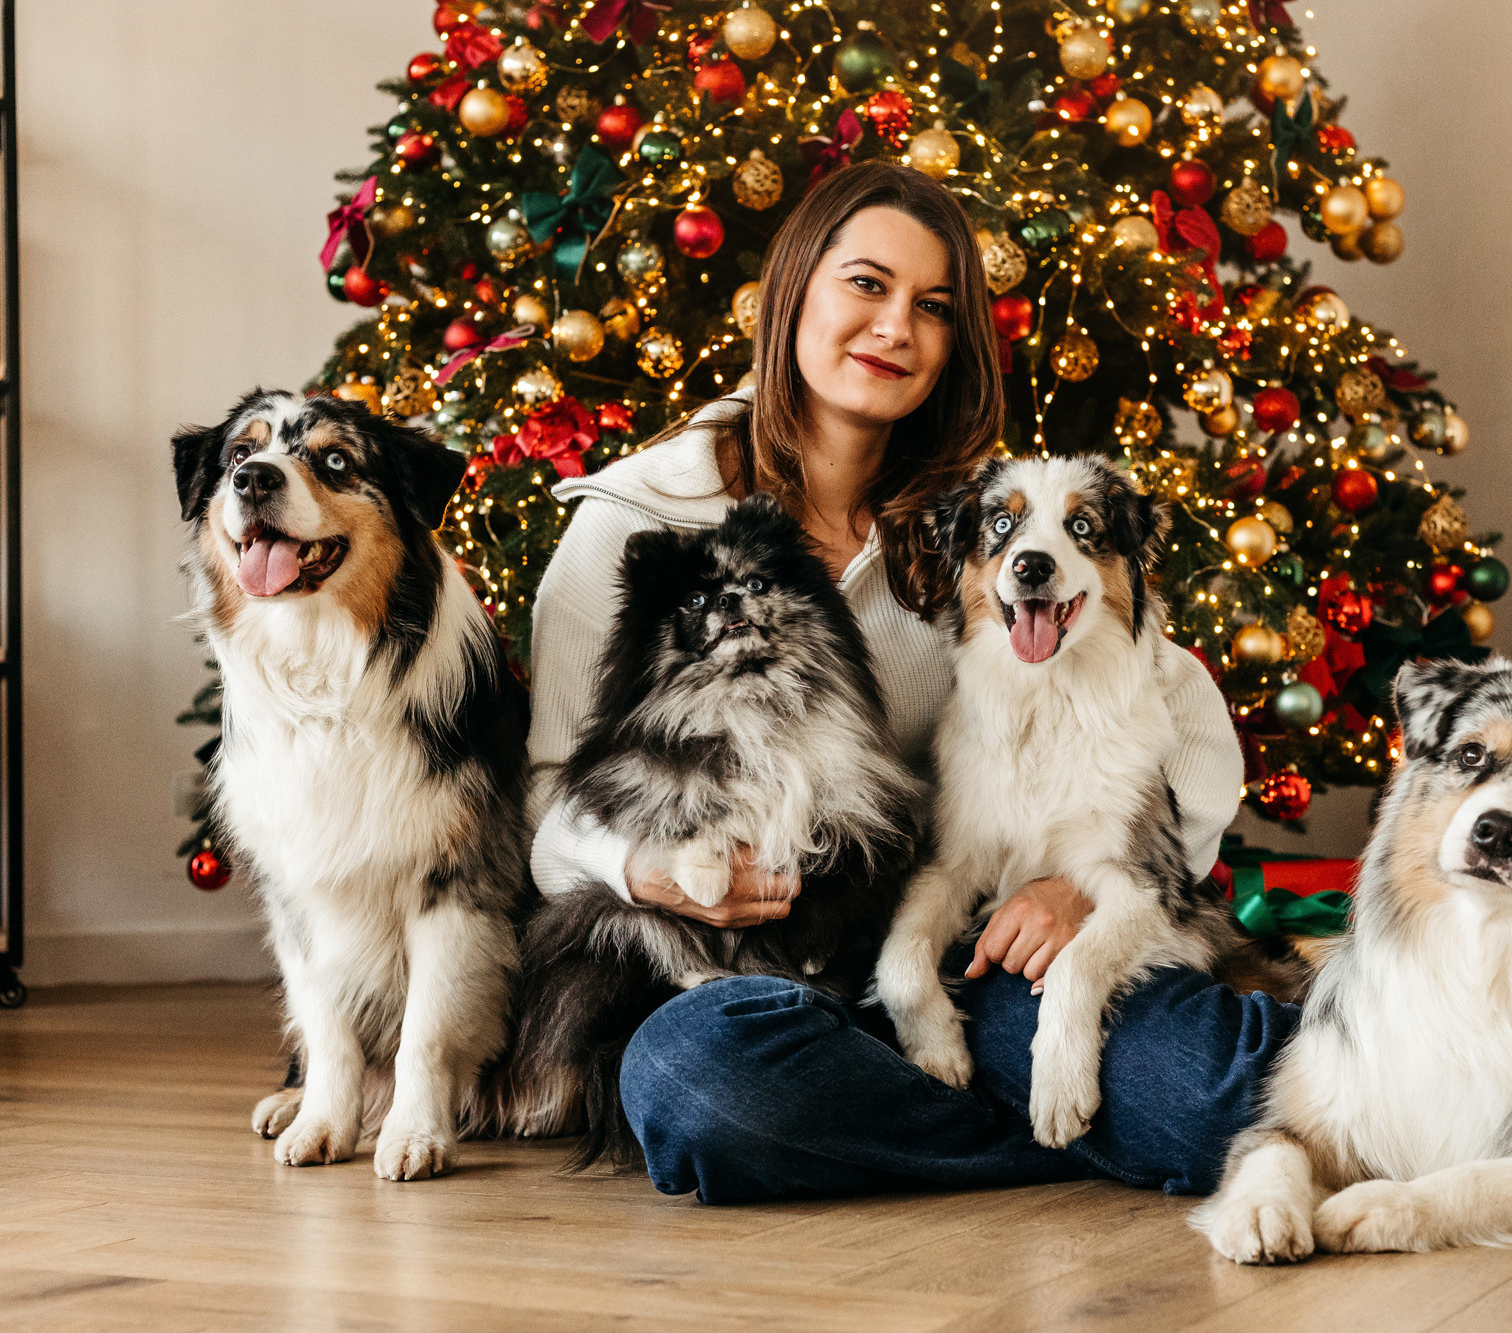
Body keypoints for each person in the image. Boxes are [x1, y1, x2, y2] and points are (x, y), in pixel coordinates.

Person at [526, 161, 1296, 1203]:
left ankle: (1003, 1112)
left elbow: (1181, 710)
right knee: (695, 1081)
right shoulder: (641, 517)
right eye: (865, 284)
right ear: (792, 290)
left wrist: (1086, 884)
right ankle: (1046, 1136)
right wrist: (640, 867)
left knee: (1211, 1095)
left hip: (956, 947)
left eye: (933, 307)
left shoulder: (974, 527)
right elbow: (542, 798)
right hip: (736, 966)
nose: (895, 327)